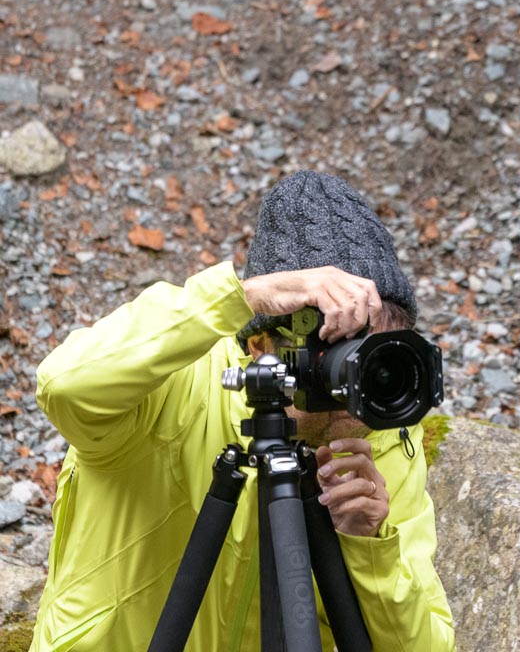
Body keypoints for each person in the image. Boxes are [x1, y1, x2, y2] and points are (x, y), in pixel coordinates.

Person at [31, 171, 455, 651]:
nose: (356, 377)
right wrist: (240, 296)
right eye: (336, 345)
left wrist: (371, 547)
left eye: (375, 351)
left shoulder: (381, 440)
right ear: (260, 346)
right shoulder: (173, 382)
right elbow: (62, 384)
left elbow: (427, 646)